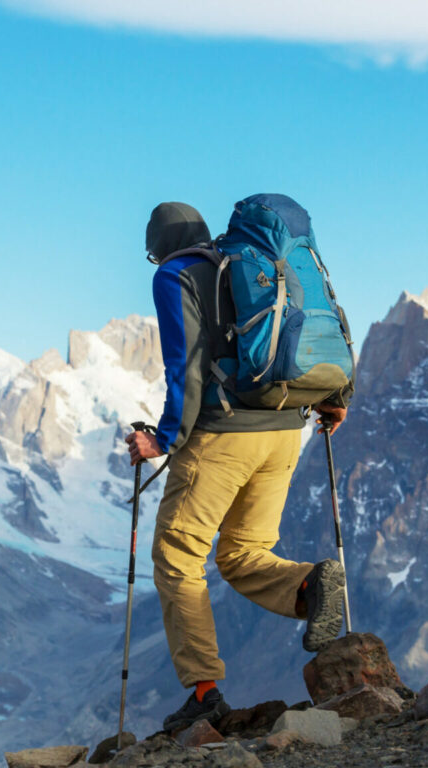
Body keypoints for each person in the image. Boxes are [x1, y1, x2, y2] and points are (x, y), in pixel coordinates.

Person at [126, 201, 351, 731]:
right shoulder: (248, 265)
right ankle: (310, 585)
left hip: (222, 439)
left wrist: (161, 439)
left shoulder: (176, 274)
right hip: (282, 433)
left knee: (178, 555)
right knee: (243, 552)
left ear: (158, 244)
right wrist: (335, 397)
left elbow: (185, 365)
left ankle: (204, 694)